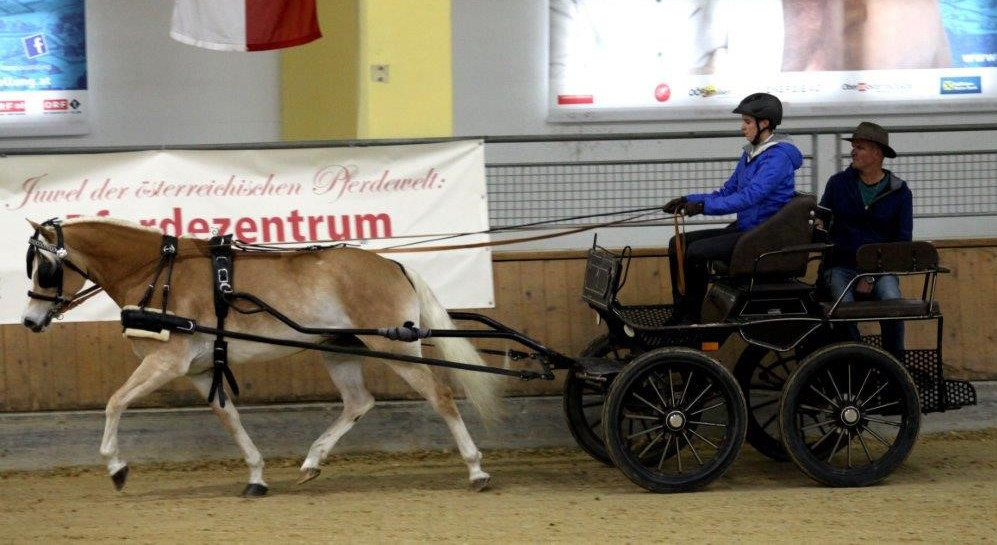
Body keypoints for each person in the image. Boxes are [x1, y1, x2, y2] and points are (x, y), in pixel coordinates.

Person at [663, 92, 802, 323]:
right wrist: (687, 199)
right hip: (748, 228)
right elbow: (728, 191)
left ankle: (689, 319)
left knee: (696, 253)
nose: (742, 127)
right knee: (678, 243)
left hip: (763, 236)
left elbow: (749, 197)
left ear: (764, 124)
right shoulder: (750, 154)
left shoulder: (778, 158)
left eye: (747, 122)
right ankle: (680, 313)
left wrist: (702, 207)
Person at [819, 121, 913, 359]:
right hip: (840, 265)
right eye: (854, 147)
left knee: (893, 303)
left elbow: (901, 242)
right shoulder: (837, 183)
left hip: (880, 269)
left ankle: (895, 366)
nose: (853, 151)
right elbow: (821, 220)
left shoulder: (900, 192)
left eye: (859, 147)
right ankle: (857, 363)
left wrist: (870, 275)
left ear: (877, 153)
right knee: (843, 310)